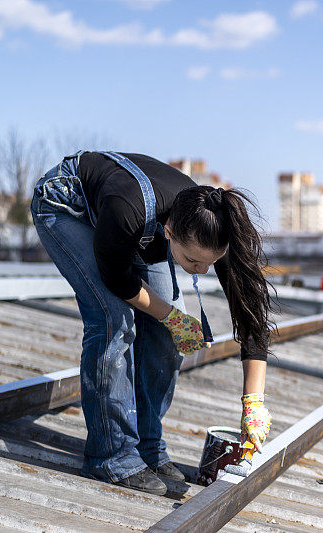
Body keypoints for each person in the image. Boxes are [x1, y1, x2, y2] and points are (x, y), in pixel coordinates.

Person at [30, 151, 273, 495]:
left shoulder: (210, 225)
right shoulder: (128, 210)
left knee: (165, 332)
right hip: (68, 205)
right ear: (170, 231)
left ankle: (147, 448)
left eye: (210, 263)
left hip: (133, 227)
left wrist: (254, 403)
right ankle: (112, 458)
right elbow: (118, 281)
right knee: (114, 319)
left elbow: (251, 316)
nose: (202, 271)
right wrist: (173, 316)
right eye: (192, 261)